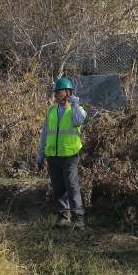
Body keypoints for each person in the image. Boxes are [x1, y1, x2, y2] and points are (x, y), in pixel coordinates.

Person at [37, 78, 87, 229]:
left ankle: (78, 219)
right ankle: (63, 218)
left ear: (68, 93)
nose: (55, 95)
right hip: (53, 155)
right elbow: (45, 133)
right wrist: (41, 154)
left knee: (72, 186)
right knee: (58, 187)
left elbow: (78, 121)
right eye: (55, 93)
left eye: (58, 92)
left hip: (69, 155)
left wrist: (75, 104)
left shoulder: (78, 110)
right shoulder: (51, 111)